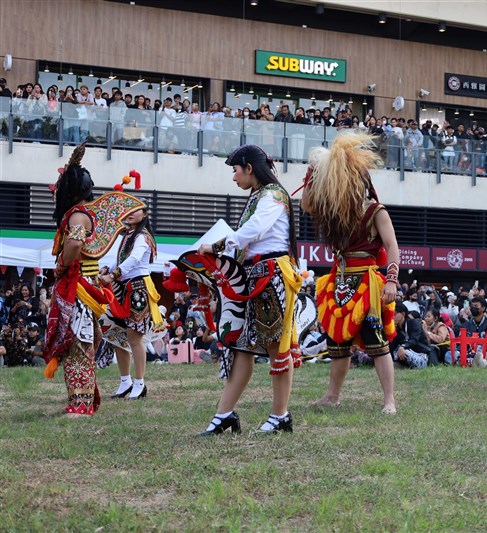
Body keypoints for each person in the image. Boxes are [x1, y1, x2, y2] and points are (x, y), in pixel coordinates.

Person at [193, 144, 303, 436]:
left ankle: (281, 415)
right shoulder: (260, 196)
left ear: (249, 169)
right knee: (241, 347)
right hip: (253, 276)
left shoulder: (272, 195)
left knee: (276, 346)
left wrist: (216, 246)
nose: (233, 177)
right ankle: (224, 415)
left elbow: (254, 231)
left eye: (235, 170)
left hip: (271, 275)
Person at [299, 132, 399, 414]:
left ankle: (389, 400)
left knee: (377, 343)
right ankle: (332, 395)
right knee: (337, 344)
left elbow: (392, 247)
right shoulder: (335, 210)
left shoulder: (376, 210)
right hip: (339, 280)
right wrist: (312, 172)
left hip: (367, 281)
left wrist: (391, 280)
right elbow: (306, 205)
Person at [42, 143, 111, 416]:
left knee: (78, 343)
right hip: (82, 286)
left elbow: (73, 246)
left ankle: (80, 405)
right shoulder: (81, 214)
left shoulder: (77, 216)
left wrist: (61, 265)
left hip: (79, 288)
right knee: (77, 343)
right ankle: (79, 399)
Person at [98, 203, 166, 400]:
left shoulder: (143, 236)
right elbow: (121, 259)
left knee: (134, 337)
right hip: (122, 287)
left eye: (135, 210)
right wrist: (108, 269)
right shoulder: (128, 235)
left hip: (138, 288)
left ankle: (139, 383)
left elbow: (135, 259)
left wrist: (114, 274)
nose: (129, 213)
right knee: (118, 335)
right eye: (128, 210)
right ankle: (125, 381)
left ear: (144, 213)